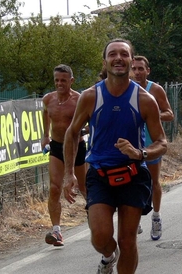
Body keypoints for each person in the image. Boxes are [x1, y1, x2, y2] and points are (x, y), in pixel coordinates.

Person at [62, 39, 167, 274]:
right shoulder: (90, 96)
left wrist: (140, 153)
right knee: (99, 237)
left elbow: (162, 143)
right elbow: (72, 133)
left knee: (128, 241)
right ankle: (109, 256)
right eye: (112, 54)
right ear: (105, 61)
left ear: (131, 60)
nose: (118, 58)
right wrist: (69, 174)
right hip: (99, 174)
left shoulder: (144, 99)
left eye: (123, 54)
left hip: (132, 174)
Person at [41, 64, 87, 247]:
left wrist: (81, 130)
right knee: (54, 188)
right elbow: (45, 113)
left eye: (63, 80)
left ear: (71, 81)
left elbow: (92, 122)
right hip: (57, 147)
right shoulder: (48, 99)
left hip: (77, 147)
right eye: (57, 80)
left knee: (84, 187)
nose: (59, 84)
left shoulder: (79, 100)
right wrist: (45, 135)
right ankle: (57, 231)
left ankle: (98, 219)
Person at [131, 55, 174, 240]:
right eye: (134, 68)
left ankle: (156, 216)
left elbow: (169, 114)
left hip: (151, 143)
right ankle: (133, 218)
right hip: (131, 144)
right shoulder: (125, 88)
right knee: (131, 182)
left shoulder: (155, 89)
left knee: (153, 181)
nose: (137, 72)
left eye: (141, 68)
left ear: (148, 70)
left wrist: (151, 115)